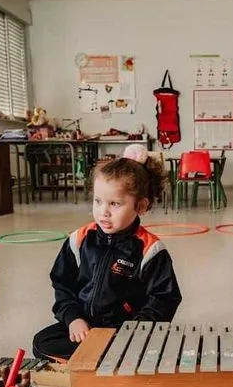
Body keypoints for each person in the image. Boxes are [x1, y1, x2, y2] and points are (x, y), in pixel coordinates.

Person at [33, 145, 181, 361]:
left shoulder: (151, 249)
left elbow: (164, 299)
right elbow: (62, 284)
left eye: (115, 204)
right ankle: (103, 356)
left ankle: (108, 355)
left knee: (152, 349)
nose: (103, 212)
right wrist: (73, 318)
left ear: (141, 206)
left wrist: (134, 331)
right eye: (98, 201)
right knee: (42, 343)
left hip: (127, 331)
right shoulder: (79, 239)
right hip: (86, 327)